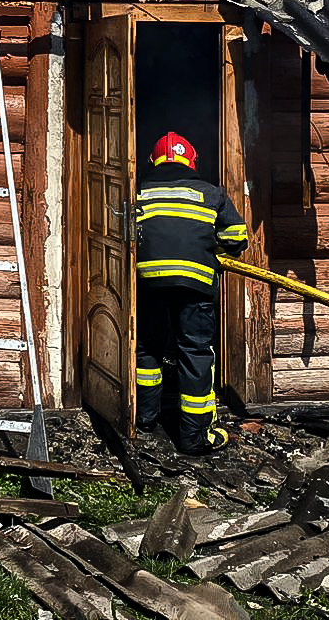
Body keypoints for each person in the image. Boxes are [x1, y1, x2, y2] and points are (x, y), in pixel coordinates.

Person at [134, 131, 248, 454]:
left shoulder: (139, 192)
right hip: (195, 286)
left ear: (153, 161)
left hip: (149, 283)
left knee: (148, 348)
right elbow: (238, 236)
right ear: (192, 161)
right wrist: (214, 250)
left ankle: (144, 419)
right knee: (195, 353)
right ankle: (195, 437)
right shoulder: (211, 194)